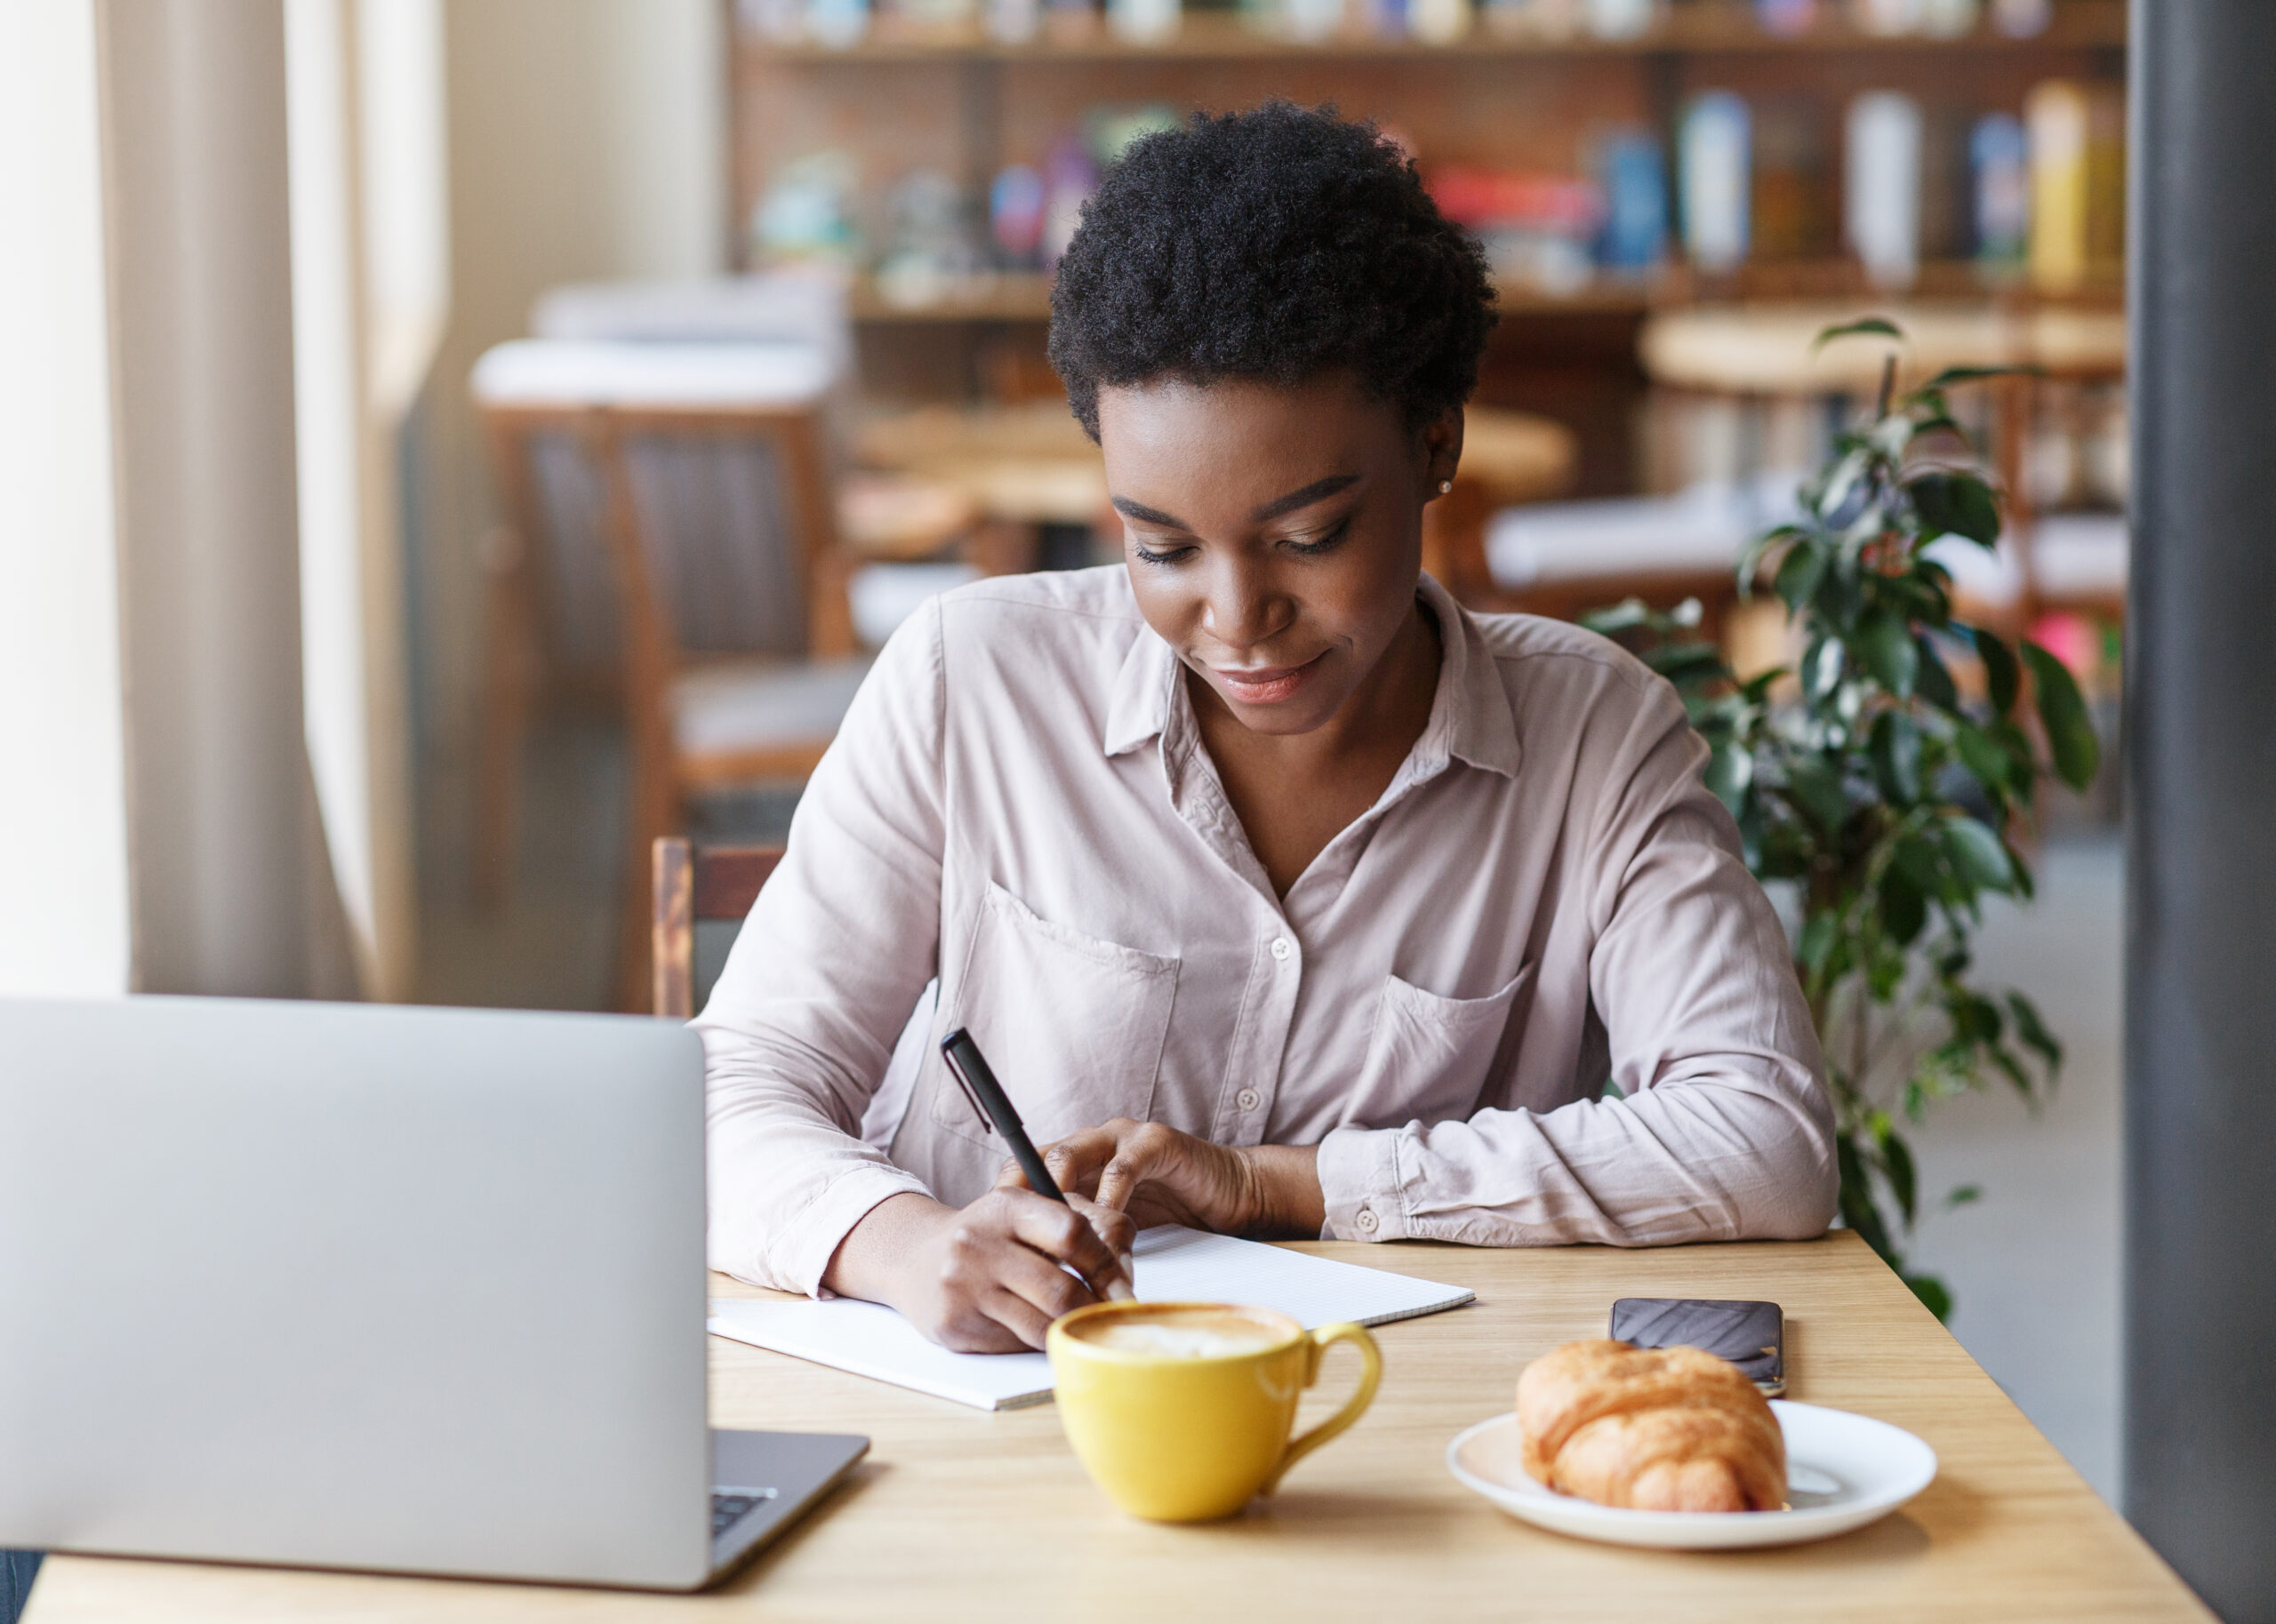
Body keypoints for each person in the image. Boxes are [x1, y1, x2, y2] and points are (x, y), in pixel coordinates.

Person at [699, 102, 1836, 1354]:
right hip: (979, 1438)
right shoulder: (973, 682)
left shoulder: (1591, 738)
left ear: (1436, 445)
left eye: (1309, 538)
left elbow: (1763, 1138)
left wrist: (1277, 1183)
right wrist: (907, 1245)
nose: (1239, 620)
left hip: (1389, 1448)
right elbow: (724, 1085)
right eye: (1161, 546)